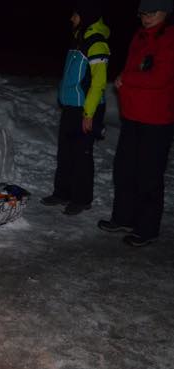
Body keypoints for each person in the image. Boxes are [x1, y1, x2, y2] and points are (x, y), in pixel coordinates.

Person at [98, 0, 174, 247]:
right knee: (125, 169)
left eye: (152, 12)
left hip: (157, 119)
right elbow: (134, 68)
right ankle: (124, 218)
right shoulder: (140, 36)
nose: (146, 17)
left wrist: (126, 78)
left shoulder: (169, 37)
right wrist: (123, 79)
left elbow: (160, 77)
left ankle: (147, 228)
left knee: (149, 175)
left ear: (166, 12)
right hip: (132, 116)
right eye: (143, 13)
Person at [41, 1, 110, 215]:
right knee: (66, 152)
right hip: (72, 107)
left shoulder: (96, 43)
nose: (72, 18)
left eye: (75, 14)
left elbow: (98, 83)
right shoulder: (78, 40)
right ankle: (62, 193)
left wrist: (89, 113)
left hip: (86, 109)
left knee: (82, 155)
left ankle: (81, 199)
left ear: (86, 15)